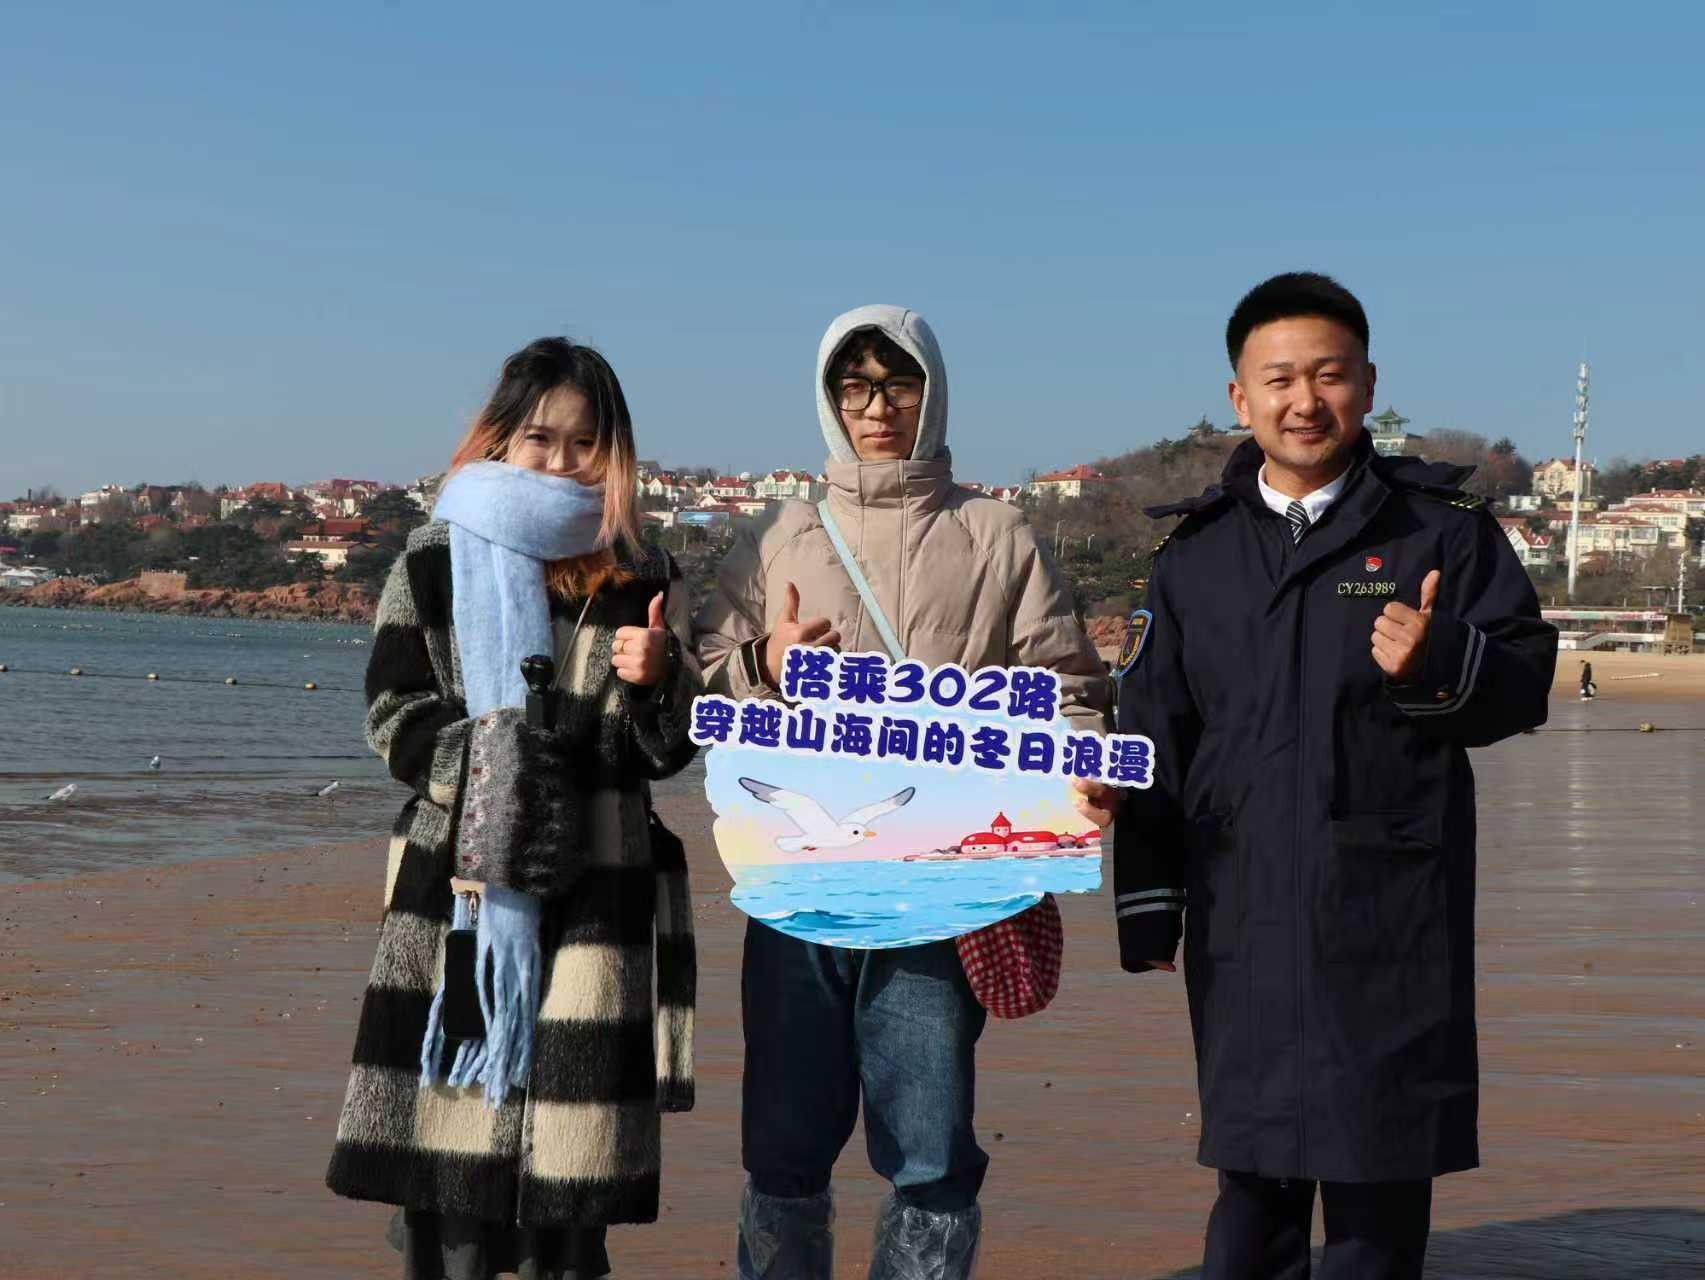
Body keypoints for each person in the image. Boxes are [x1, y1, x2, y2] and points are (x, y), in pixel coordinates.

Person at [1112, 273, 1557, 1280]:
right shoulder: (1193, 555)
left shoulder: (1439, 529)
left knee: (1374, 1201)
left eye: (1328, 375)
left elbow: (1524, 682)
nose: (1303, 401)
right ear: (1240, 397)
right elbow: (1153, 736)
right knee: (1250, 1190)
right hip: (1240, 910)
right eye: (1278, 380)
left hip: (1390, 913)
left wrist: (1440, 660)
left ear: (1367, 384)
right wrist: (1147, 905)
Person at [693, 305, 1115, 1279]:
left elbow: (1065, 684)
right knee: (782, 1144)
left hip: (939, 888)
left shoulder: (996, 532)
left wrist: (1083, 762)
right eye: (855, 386)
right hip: (797, 888)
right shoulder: (779, 534)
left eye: (898, 384)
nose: (877, 407)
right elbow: (702, 683)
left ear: (933, 393)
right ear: (828, 400)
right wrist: (763, 661)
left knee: (929, 1151)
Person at [326, 337, 702, 1280]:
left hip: (599, 887)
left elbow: (665, 752)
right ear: (500, 437)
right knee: (453, 1161)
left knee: (568, 1182)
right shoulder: (434, 556)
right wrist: (493, 761)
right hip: (461, 882)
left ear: (615, 451)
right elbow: (392, 715)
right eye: (541, 438)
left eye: (585, 442)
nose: (561, 461)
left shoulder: (642, 571)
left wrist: (660, 682)